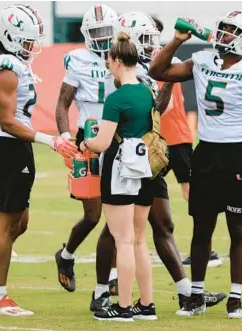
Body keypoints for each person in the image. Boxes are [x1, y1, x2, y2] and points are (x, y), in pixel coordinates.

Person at [90, 11, 226, 313]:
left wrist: (88, 142)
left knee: (135, 233)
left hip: (137, 161)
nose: (152, 45)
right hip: (144, 158)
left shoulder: (135, 80)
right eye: (147, 39)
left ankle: (149, 299)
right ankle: (108, 291)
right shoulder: (134, 81)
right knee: (124, 234)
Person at [149, 10, 242, 319]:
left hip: (236, 154)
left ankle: (235, 298)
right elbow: (158, 70)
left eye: (231, 31)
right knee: (202, 228)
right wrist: (177, 41)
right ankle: (197, 296)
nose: (224, 34)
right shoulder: (203, 61)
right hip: (205, 152)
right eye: (224, 29)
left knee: (237, 227)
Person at [0, 4, 77, 316]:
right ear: (11, 37)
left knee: (19, 222)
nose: (32, 47)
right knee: (6, 224)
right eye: (27, 41)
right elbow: (7, 122)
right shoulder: (5, 70)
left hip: (13, 147)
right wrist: (50, 140)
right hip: (7, 146)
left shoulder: (10, 65)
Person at [80, 31, 157, 322]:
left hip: (121, 167)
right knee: (139, 240)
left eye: (109, 60)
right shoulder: (147, 91)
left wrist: (86, 143)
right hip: (146, 167)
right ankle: (146, 305)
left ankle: (123, 307)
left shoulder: (116, 98)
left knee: (122, 240)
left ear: (115, 61)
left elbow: (101, 143)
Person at [54, 4, 118, 293]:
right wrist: (65, 136)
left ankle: (113, 275)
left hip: (117, 136)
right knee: (93, 215)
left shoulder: (123, 55)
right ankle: (66, 256)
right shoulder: (78, 60)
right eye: (96, 32)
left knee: (119, 210)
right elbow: (62, 103)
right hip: (87, 138)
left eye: (106, 31)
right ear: (86, 34)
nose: (103, 37)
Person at [151, 16, 222, 268]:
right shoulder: (160, 59)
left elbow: (166, 106)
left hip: (174, 136)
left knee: (191, 190)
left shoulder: (163, 60)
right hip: (164, 137)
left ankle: (205, 247)